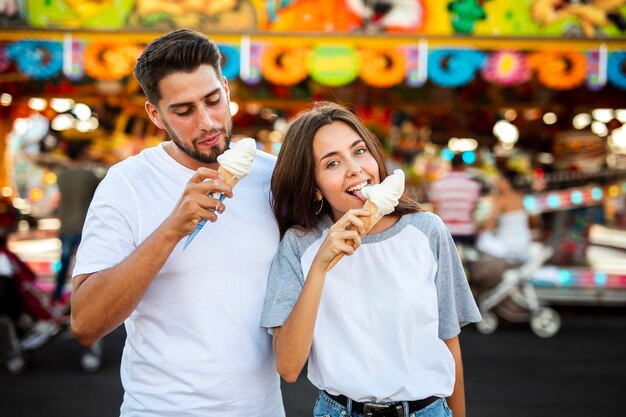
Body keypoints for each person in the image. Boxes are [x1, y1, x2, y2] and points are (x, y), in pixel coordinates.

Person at [70, 29, 284, 417]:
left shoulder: (273, 177)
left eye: (213, 101)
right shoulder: (127, 184)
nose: (207, 123)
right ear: (156, 114)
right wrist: (170, 229)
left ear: (226, 89)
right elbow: (85, 323)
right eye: (184, 111)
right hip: (160, 409)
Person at [261, 102, 481, 417]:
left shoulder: (425, 230)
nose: (355, 168)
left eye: (359, 151)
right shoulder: (300, 244)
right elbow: (288, 366)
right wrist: (321, 266)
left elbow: (448, 342)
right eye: (332, 163)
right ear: (314, 189)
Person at [51, 141, 100, 306]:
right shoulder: (89, 176)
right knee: (85, 267)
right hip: (84, 227)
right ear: (82, 154)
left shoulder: (61, 176)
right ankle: (82, 301)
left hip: (65, 226)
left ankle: (57, 296)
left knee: (64, 264)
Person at [476, 168, 532, 263]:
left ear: (507, 183)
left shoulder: (502, 199)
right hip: (524, 244)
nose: (497, 183)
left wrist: (484, 234)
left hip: (507, 246)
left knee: (481, 243)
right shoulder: (520, 197)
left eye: (500, 180)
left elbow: (491, 219)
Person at [428, 152, 481, 247]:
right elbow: (473, 209)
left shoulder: (438, 184)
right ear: (464, 165)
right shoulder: (473, 185)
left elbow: (434, 209)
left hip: (445, 230)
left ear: (451, 165)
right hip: (466, 231)